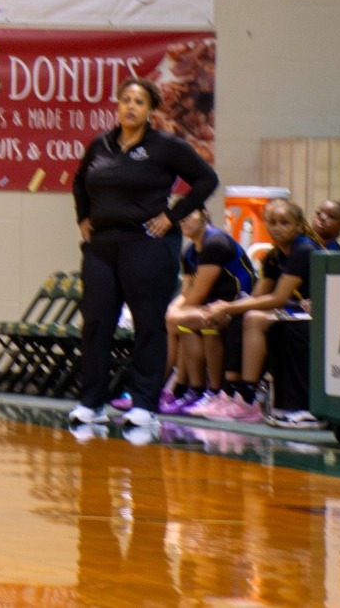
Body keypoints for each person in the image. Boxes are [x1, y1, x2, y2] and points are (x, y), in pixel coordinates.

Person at [68, 76, 219, 433]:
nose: (131, 107)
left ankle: (144, 405)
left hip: (146, 243)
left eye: (139, 102)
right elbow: (78, 181)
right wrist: (83, 218)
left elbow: (206, 180)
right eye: (125, 101)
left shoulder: (165, 146)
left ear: (151, 109)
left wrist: (172, 216)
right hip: (102, 245)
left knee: (148, 324)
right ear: (117, 106)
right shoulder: (100, 145)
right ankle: (92, 402)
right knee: (96, 323)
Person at [201, 198, 322, 427]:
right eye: (272, 222)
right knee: (237, 313)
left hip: (315, 312)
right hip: (290, 310)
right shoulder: (274, 256)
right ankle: (229, 391)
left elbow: (276, 298)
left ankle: (248, 396)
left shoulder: (303, 249)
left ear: (298, 226)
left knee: (253, 318)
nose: (277, 227)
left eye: (284, 222)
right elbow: (258, 297)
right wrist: (228, 309)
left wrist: (226, 305)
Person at [160, 208, 256, 416]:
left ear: (204, 213)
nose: (183, 219)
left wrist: (172, 315)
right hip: (208, 309)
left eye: (189, 213)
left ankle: (165, 388)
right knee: (180, 323)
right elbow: (186, 294)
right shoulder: (189, 252)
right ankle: (190, 392)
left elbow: (198, 294)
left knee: (176, 320)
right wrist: (171, 311)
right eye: (180, 216)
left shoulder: (215, 243)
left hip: (237, 307)